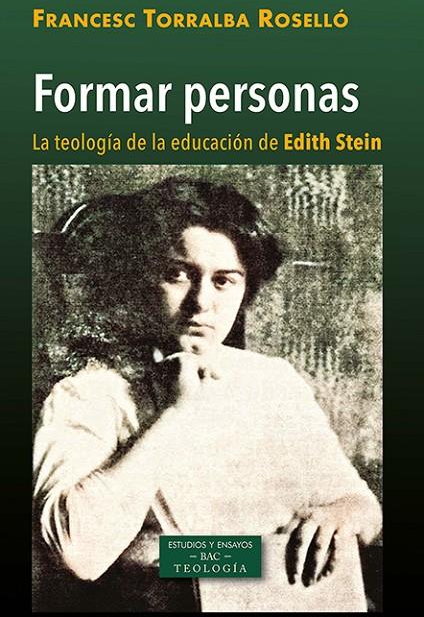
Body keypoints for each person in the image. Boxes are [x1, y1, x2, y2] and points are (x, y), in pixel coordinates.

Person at [33, 178, 382, 612]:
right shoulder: (88, 394)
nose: (201, 302)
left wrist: (341, 515)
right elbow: (77, 553)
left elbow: (362, 507)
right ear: (139, 279)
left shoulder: (273, 381)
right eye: (178, 274)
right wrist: (176, 414)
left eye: (224, 281)